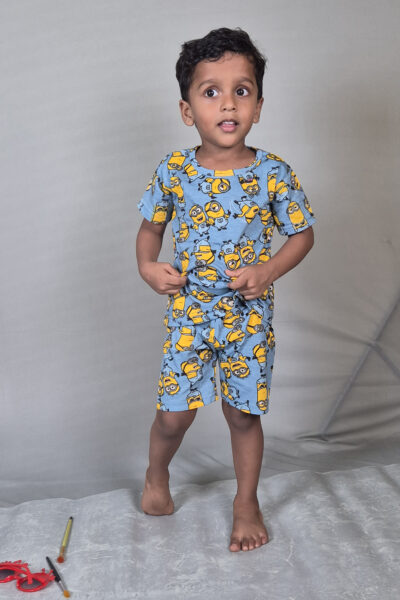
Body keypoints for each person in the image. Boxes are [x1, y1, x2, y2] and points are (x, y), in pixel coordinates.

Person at [136, 27, 315, 552]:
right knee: (174, 416)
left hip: (247, 316)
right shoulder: (174, 170)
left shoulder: (273, 174)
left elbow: (302, 235)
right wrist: (147, 266)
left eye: (242, 90)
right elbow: (150, 229)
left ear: (258, 106)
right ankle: (156, 475)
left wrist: (269, 269)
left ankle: (246, 503)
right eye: (211, 91)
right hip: (189, 313)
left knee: (242, 414)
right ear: (187, 109)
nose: (228, 103)